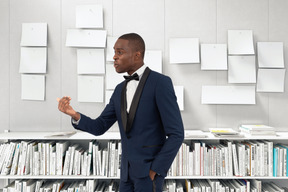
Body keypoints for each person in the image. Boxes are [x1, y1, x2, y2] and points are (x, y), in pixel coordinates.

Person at [57, 33, 184, 192]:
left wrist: (156, 170)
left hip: (148, 175)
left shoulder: (161, 83)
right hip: (125, 175)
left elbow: (177, 134)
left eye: (120, 52)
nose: (114, 57)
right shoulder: (119, 90)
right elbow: (99, 126)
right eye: (114, 52)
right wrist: (74, 114)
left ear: (137, 55)